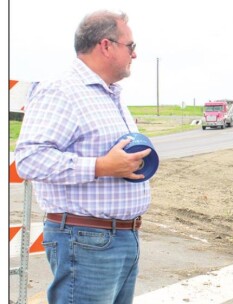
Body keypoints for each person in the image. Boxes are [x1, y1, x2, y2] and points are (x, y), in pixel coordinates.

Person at [15, 10, 152, 304]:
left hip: (121, 238)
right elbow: (29, 159)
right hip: (86, 240)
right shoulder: (62, 91)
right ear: (106, 45)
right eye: (131, 46)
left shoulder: (109, 94)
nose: (135, 55)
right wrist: (101, 166)